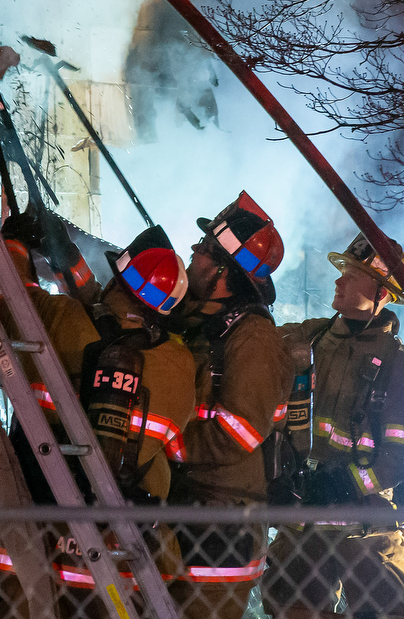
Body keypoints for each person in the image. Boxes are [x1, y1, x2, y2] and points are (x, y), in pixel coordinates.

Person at [0, 212, 196, 617]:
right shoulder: (180, 366)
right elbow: (178, 452)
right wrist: (68, 257)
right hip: (126, 555)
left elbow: (8, 300)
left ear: (116, 282)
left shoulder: (63, 320)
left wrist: (15, 244)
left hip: (38, 536)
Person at [261, 233, 404, 617]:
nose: (339, 280)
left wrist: (346, 483)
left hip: (364, 523)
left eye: (352, 275)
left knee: (398, 606)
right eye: (343, 271)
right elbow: (255, 345)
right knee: (288, 604)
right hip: (304, 515)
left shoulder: (398, 368)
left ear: (381, 292)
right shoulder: (310, 338)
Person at [166, 191, 293, 619]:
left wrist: (164, 443)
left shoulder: (252, 337)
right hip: (187, 505)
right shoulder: (199, 323)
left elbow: (241, 430)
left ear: (224, 270)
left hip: (222, 524)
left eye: (204, 248)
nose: (193, 251)